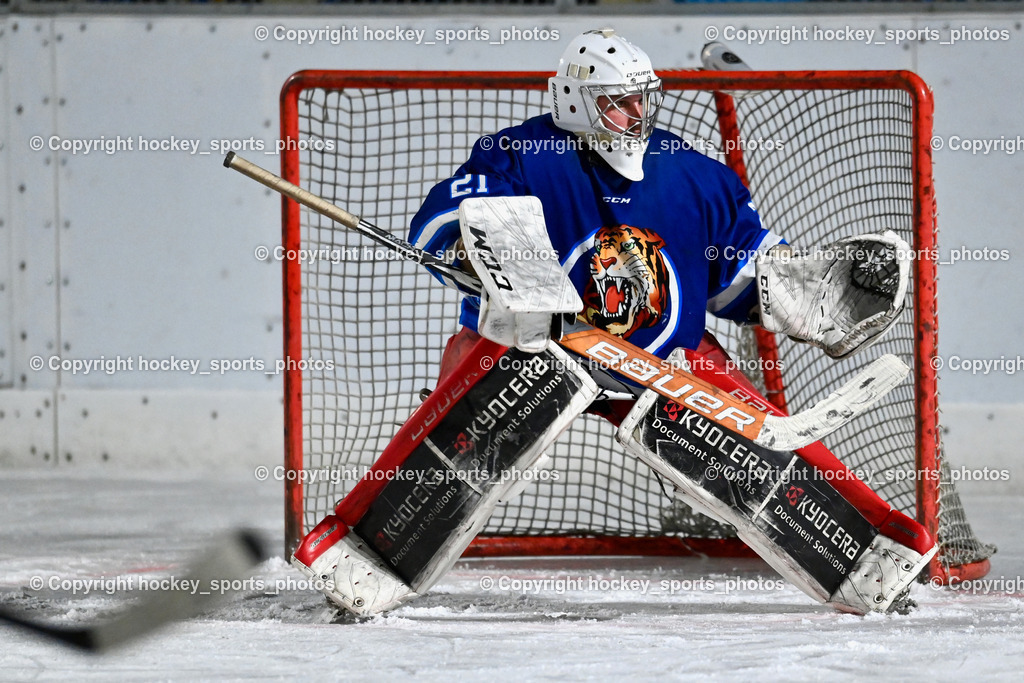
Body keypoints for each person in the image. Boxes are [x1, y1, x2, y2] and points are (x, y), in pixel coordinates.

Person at [292, 28, 934, 616]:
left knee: (764, 452)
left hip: (665, 360)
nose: (635, 116)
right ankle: (364, 557)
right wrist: (476, 247)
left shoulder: (690, 173)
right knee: (462, 437)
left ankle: (871, 559)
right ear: (575, 100)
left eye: (640, 100)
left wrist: (802, 290)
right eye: (616, 103)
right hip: (534, 350)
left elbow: (737, 278)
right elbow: (441, 221)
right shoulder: (522, 157)